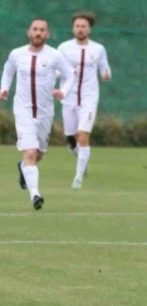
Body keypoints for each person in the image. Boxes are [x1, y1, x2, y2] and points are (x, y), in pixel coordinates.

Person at [0, 19, 75, 209]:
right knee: (30, 152)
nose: (38, 33)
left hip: (45, 112)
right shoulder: (17, 54)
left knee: (38, 154)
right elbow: (8, 70)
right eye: (35, 29)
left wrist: (63, 91)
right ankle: (35, 195)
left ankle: (23, 167)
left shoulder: (54, 56)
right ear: (29, 32)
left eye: (42, 30)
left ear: (47, 34)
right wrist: (4, 88)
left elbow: (70, 74)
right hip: (23, 110)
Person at [57, 12, 111, 188]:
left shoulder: (98, 49)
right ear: (73, 28)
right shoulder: (64, 48)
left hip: (88, 97)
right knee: (71, 138)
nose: (80, 29)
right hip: (69, 97)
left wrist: (106, 74)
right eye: (77, 26)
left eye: (84, 26)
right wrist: (65, 72)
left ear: (89, 29)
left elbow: (105, 68)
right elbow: (55, 70)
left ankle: (78, 176)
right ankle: (81, 157)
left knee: (83, 134)